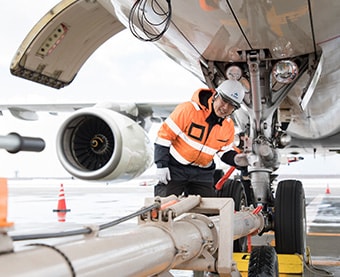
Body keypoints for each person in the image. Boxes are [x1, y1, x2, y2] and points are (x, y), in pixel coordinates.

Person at [154, 79, 248, 197]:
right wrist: (161, 165)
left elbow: (225, 152)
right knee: (164, 208)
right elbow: (164, 137)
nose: (225, 107)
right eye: (224, 101)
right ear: (215, 95)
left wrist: (239, 160)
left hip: (202, 174)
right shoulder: (189, 110)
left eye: (231, 105)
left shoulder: (228, 126)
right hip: (175, 169)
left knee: (209, 211)